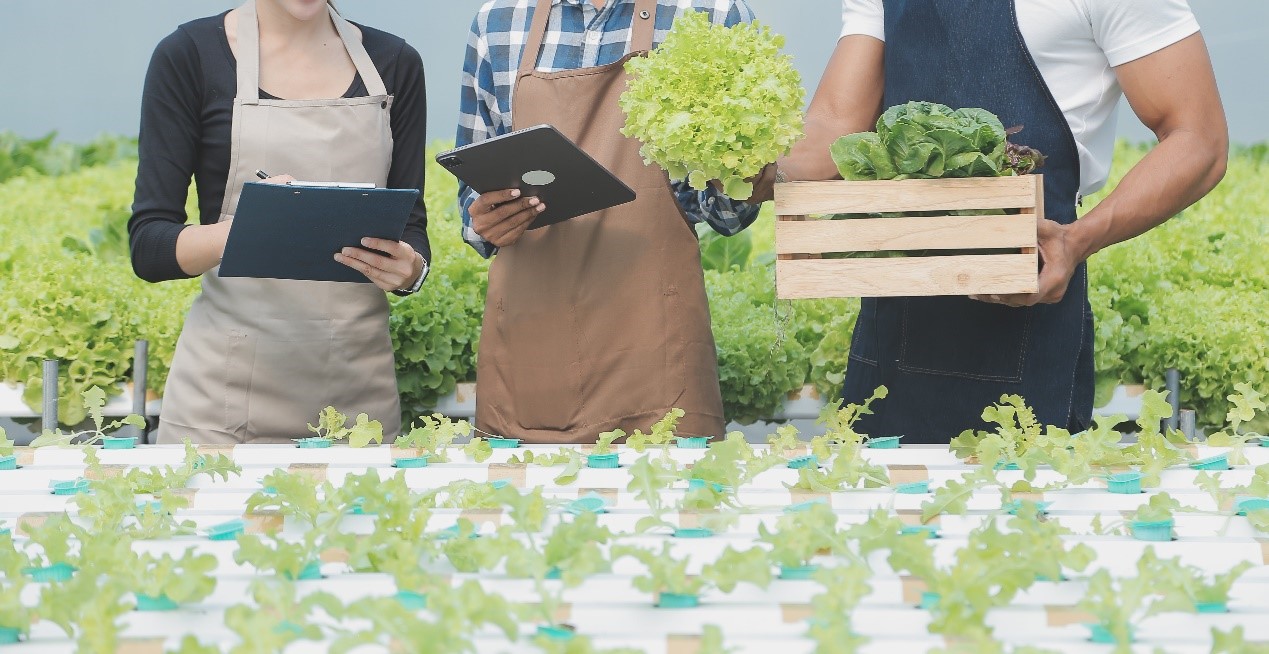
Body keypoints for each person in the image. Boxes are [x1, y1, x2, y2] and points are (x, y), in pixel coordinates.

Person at [771, 0, 1227, 442]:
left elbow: (1198, 139)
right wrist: (754, 164)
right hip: (897, 317)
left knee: (1020, 507)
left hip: (1029, 305)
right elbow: (835, 121)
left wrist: (1076, 241)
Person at [457, 0, 773, 443]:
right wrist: (486, 218)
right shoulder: (498, 22)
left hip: (656, 349)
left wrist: (741, 172)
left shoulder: (713, 14)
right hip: (535, 352)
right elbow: (472, 186)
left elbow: (728, 214)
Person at [129, 0, 431, 444]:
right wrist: (251, 226)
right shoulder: (189, 56)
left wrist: (410, 270)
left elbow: (412, 229)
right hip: (221, 402)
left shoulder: (395, 63)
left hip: (357, 399)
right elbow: (150, 246)